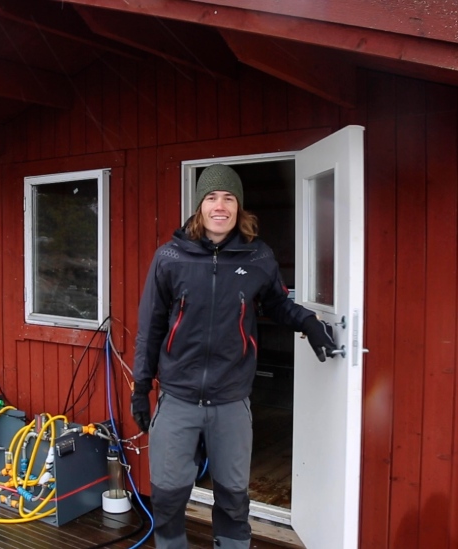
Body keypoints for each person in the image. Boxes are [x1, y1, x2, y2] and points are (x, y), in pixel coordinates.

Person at [131, 164, 337, 549]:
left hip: (231, 400)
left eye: (228, 198)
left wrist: (307, 322)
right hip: (178, 397)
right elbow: (150, 328)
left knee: (233, 500)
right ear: (199, 207)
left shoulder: (258, 257)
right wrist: (141, 387)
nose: (220, 206)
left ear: (239, 207)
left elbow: (276, 303)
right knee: (169, 498)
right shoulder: (170, 257)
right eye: (211, 197)